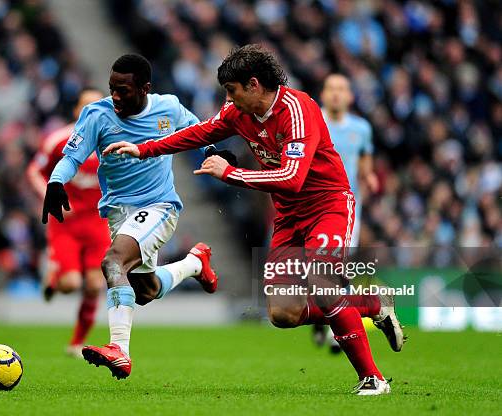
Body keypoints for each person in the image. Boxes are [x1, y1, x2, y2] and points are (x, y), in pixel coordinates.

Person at [104, 45, 404, 395]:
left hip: (328, 205)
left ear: (254, 84)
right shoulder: (237, 111)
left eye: (232, 91)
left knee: (323, 282)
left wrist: (231, 173)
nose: (227, 99)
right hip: (289, 216)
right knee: (283, 314)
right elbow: (200, 132)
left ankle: (373, 379)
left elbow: (292, 176)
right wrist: (144, 148)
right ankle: (371, 303)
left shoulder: (298, 109)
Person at [41, 54, 218, 380]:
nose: (116, 96)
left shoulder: (167, 107)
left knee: (112, 264)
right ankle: (195, 264)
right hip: (119, 215)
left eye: (123, 90)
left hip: (159, 207)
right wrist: (55, 182)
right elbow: (71, 157)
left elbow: (197, 127)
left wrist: (212, 152)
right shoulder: (97, 114)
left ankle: (119, 349)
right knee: (144, 290)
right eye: (112, 89)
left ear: (145, 88)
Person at [27, 87, 110, 358]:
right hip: (66, 224)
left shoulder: (114, 141)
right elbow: (34, 171)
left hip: (98, 223)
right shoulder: (58, 140)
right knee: (72, 284)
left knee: (96, 285)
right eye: (87, 106)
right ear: (77, 111)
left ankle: (76, 342)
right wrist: (50, 195)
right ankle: (53, 275)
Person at [314, 74, 379, 353]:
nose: (337, 94)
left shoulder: (361, 128)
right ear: (323, 94)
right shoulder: (314, 121)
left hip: (346, 207)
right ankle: (325, 319)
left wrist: (369, 175)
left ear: (350, 96)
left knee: (335, 266)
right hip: (313, 204)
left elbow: (365, 156)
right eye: (331, 89)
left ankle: (333, 328)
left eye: (342, 89)